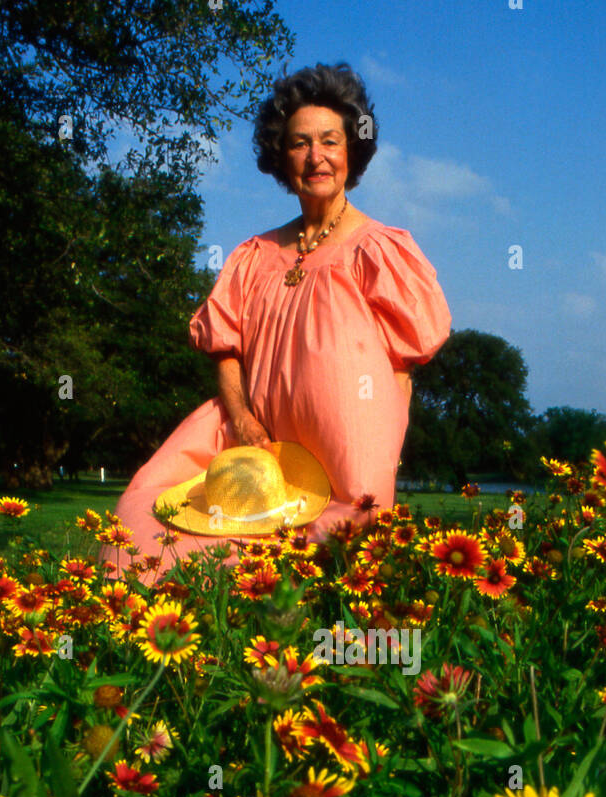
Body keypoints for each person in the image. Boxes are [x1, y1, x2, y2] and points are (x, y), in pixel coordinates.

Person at [102, 61, 452, 582]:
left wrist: (383, 459)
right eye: (299, 143)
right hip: (251, 442)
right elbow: (226, 347)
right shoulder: (254, 254)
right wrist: (241, 418)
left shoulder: (379, 249)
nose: (316, 157)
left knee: (328, 572)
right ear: (279, 156)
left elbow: (404, 363)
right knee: (146, 509)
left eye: (330, 141)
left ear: (351, 150)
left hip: (346, 450)